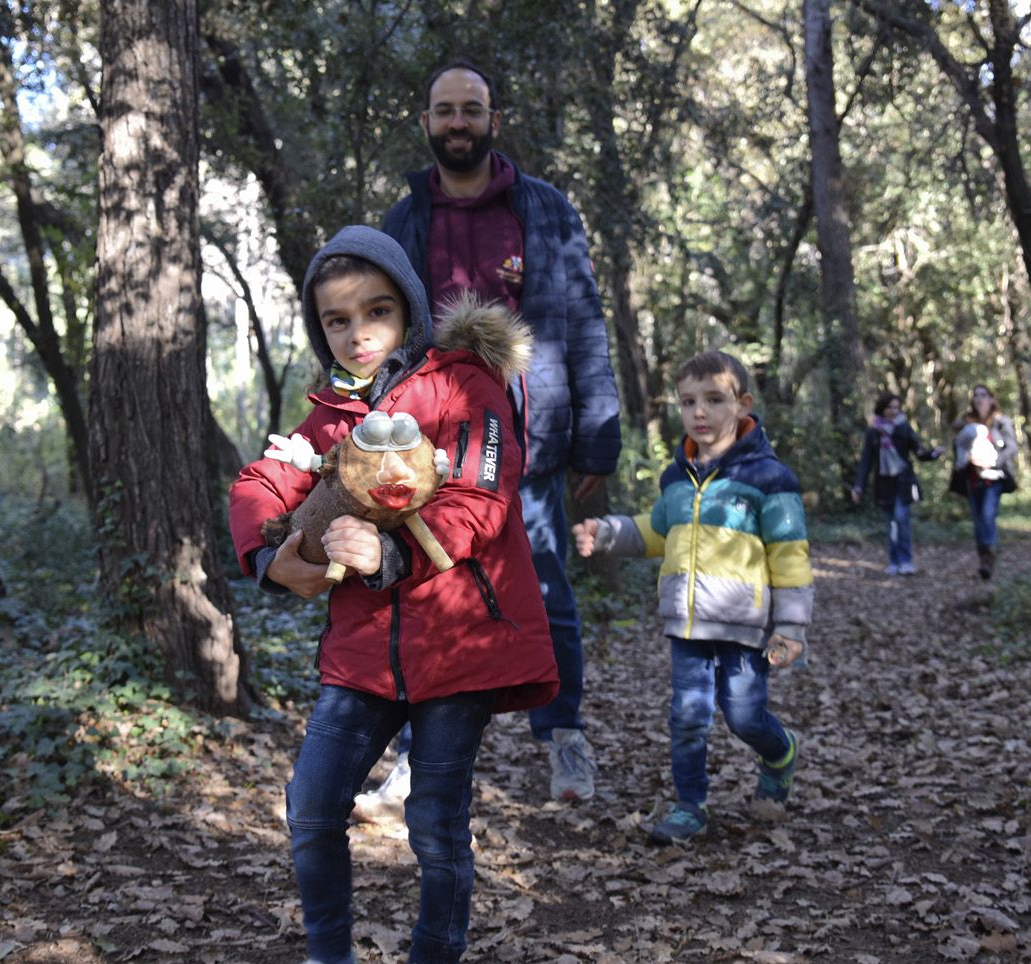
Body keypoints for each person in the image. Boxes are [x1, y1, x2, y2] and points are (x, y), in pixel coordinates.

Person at [228, 226, 558, 964]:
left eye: (377, 310)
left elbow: (485, 494)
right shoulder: (325, 416)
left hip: (459, 644)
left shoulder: (462, 385)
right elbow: (262, 482)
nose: (359, 331)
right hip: (362, 650)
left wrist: (394, 550)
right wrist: (272, 556)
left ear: (408, 307)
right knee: (312, 802)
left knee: (435, 817)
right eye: (337, 320)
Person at [367, 59, 621, 810]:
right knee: (427, 592)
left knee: (547, 592)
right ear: (426, 122)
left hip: (529, 444)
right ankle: (418, 754)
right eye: (444, 110)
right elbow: (378, 326)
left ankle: (564, 734)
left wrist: (597, 439)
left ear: (493, 120)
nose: (457, 123)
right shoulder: (406, 218)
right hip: (428, 445)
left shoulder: (543, 210)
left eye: (470, 109)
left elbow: (582, 323)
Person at [571, 351, 813, 844]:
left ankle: (780, 750)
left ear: (742, 405)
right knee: (687, 717)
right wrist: (609, 532)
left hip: (744, 624)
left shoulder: (769, 479)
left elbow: (790, 556)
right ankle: (690, 806)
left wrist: (790, 627)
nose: (698, 412)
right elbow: (657, 532)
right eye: (687, 402)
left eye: (713, 400)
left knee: (744, 715)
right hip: (685, 624)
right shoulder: (676, 479)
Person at [850, 392, 943, 575]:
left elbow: (919, 452)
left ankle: (906, 560)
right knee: (890, 524)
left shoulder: (904, 428)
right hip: (884, 485)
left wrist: (933, 454)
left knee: (902, 519)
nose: (893, 411)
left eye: (896, 407)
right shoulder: (873, 433)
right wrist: (859, 486)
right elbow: (866, 462)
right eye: (890, 407)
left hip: (903, 482)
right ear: (882, 409)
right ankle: (893, 561)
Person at [948, 384, 1019, 580]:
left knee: (988, 516)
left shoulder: (1000, 422)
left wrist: (993, 461)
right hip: (972, 479)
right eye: (976, 395)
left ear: (991, 399)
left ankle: (989, 556)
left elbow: (1012, 447)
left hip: (993, 479)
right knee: (978, 521)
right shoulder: (965, 422)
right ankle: (983, 559)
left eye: (983, 395)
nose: (979, 398)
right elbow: (957, 444)